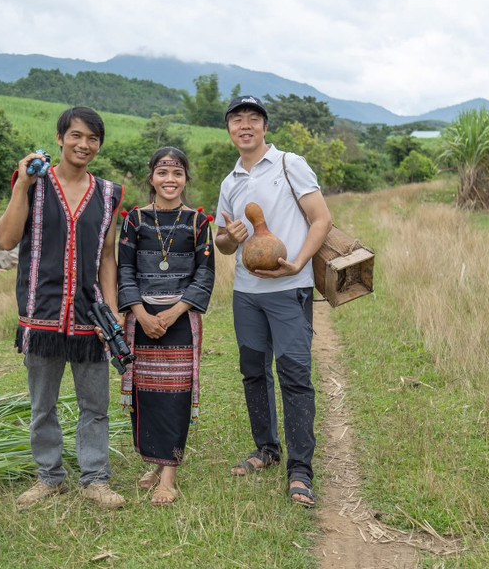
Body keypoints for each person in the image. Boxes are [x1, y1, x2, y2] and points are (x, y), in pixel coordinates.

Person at [0, 107, 126, 510]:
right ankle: (49, 477)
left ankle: (95, 479)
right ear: (59, 138)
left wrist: (114, 310)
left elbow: (107, 255)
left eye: (92, 139)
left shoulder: (108, 194)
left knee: (95, 405)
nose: (84, 145)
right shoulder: (34, 182)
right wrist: (21, 186)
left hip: (90, 315)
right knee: (42, 405)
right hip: (41, 311)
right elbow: (5, 240)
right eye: (76, 136)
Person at [214, 95, 332, 507]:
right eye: (237, 119)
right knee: (253, 371)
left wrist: (298, 262)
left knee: (295, 375)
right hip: (247, 293)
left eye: (253, 118)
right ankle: (266, 448)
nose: (244, 125)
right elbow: (223, 244)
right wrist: (233, 237)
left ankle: (300, 469)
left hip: (288, 288)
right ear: (229, 129)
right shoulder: (230, 183)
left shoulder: (289, 164)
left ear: (264, 127)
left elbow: (322, 219)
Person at [117, 147, 215, 506]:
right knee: (146, 393)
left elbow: (205, 274)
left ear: (186, 178)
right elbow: (125, 269)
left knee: (175, 395)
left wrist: (174, 312)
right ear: (151, 178)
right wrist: (140, 313)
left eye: (176, 173)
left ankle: (169, 476)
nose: (169, 180)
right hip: (141, 319)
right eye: (162, 173)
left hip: (180, 320)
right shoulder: (134, 220)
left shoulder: (198, 222)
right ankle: (156, 463)